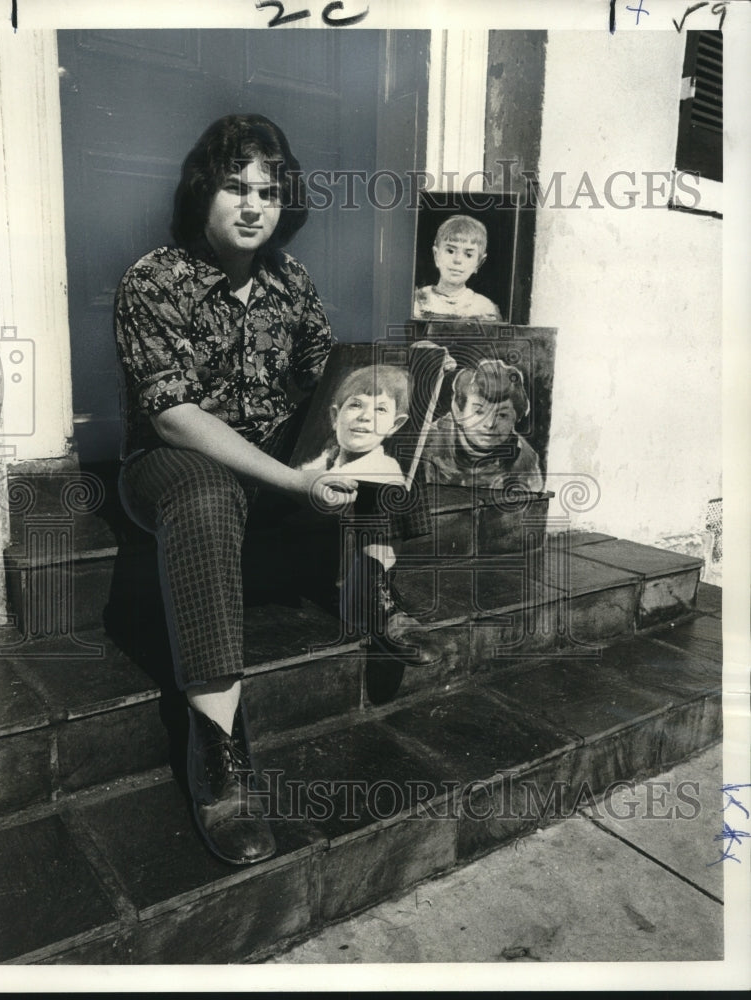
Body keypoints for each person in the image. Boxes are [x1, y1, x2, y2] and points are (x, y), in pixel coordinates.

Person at [114, 114, 429, 868]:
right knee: (204, 493)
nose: (254, 205)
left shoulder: (290, 280)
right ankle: (219, 755)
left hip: (277, 458)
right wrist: (294, 479)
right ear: (204, 193)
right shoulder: (154, 279)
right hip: (172, 465)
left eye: (269, 190)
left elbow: (330, 379)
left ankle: (373, 591)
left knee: (381, 434)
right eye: (235, 187)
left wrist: (399, 387)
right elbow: (175, 416)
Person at [422, 358, 543, 491]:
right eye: (479, 411)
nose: (490, 424)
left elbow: (530, 505)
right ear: (458, 410)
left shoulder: (524, 458)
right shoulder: (427, 444)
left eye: (502, 415)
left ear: (516, 417)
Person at [299, 364, 410, 485]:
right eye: (356, 405)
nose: (365, 416)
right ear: (335, 416)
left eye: (380, 409)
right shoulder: (317, 464)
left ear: (394, 425)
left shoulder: (387, 474)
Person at [413, 215, 502, 321]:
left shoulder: (485, 308)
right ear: (436, 255)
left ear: (479, 263)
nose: (457, 260)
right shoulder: (416, 301)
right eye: (450, 251)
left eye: (468, 255)